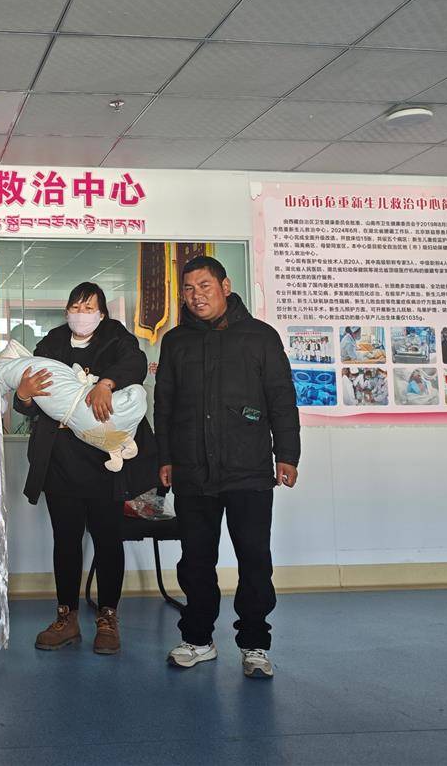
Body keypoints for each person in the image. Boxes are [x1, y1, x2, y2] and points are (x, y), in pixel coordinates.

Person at [154, 256, 300, 679]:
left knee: (254, 559)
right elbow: (164, 405)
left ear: (225, 286)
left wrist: (287, 454)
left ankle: (255, 644)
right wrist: (165, 457)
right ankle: (198, 639)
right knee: (195, 560)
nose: (196, 296)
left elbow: (281, 399)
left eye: (204, 286)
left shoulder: (260, 337)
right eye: (188, 289)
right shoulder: (176, 341)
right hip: (192, 470)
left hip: (248, 468)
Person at [13, 282, 157, 656]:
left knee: (108, 539)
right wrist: (24, 395)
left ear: (102, 312)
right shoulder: (53, 342)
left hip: (103, 462)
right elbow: (31, 399)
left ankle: (108, 617)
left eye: (89, 307)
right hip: (60, 460)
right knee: (66, 539)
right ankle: (67, 617)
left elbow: (135, 364)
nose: (81, 313)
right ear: (67, 311)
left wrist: (107, 383)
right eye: (75, 306)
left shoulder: (116, 338)